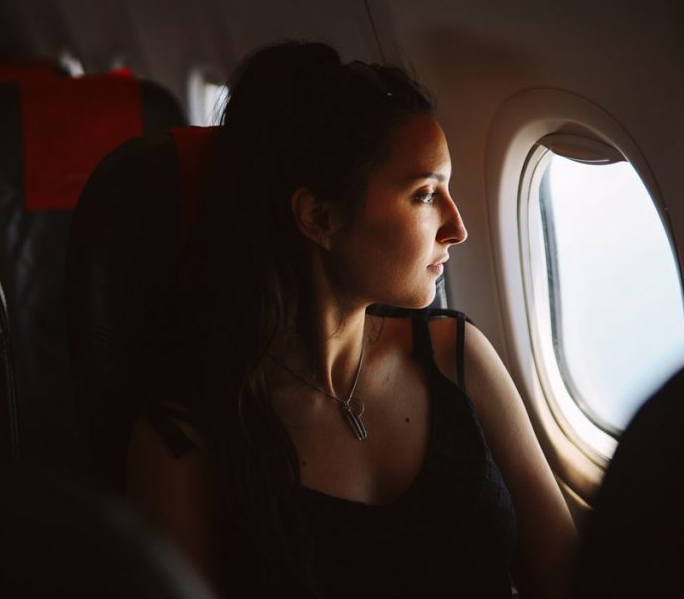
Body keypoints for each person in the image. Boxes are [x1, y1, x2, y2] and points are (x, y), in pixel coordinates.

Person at [126, 42, 576, 598]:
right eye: (425, 194)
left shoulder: (455, 355)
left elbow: (567, 578)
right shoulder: (184, 443)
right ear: (319, 217)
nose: (457, 228)